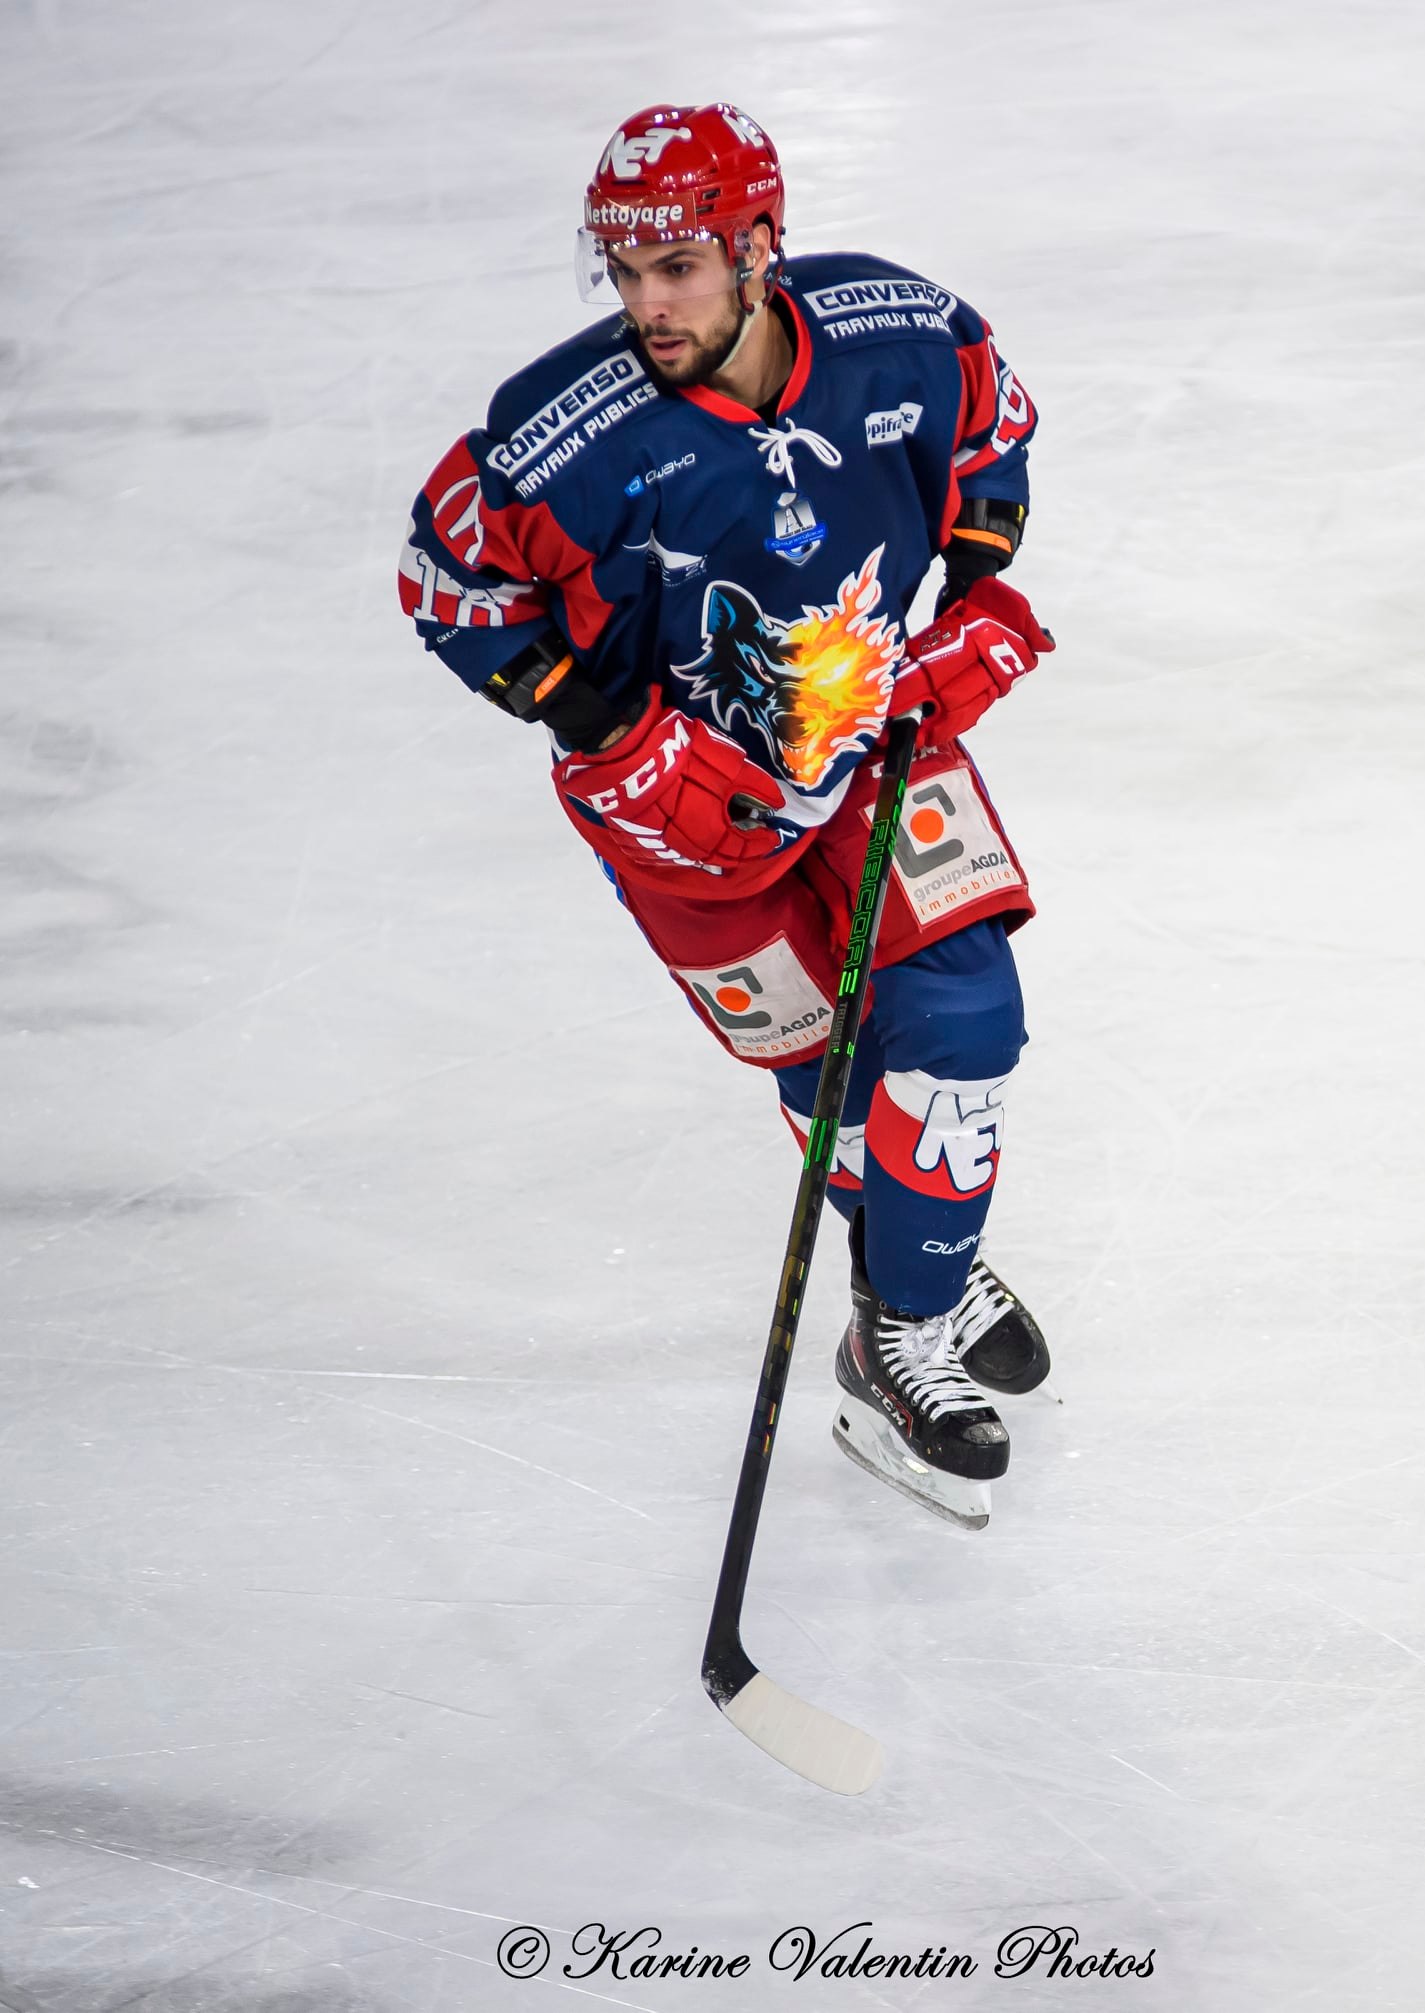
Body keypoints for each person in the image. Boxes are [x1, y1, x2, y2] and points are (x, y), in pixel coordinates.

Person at [398, 102, 1054, 1527]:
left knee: (962, 1023)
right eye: (623, 274)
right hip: (676, 815)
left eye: (679, 267)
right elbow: (446, 574)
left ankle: (901, 1330)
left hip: (869, 733)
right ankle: (912, 1237)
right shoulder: (561, 433)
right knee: (819, 1067)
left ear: (762, 244)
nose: (648, 305)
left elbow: (987, 415)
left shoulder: (891, 329)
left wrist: (977, 577)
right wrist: (588, 714)